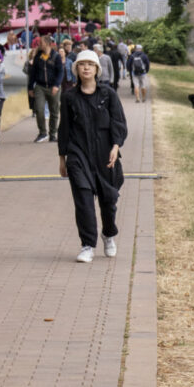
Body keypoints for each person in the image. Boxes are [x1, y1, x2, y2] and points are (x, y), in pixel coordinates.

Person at [58, 49, 128, 262]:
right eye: (82, 64)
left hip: (105, 155)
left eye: (90, 64)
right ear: (76, 69)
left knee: (108, 202)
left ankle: (108, 234)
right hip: (78, 154)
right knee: (84, 201)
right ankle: (87, 245)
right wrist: (63, 158)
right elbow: (65, 128)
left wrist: (116, 147)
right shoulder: (69, 96)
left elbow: (118, 122)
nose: (86, 67)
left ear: (97, 69)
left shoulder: (108, 95)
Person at [26, 36, 63, 144]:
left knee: (54, 111)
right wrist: (30, 87)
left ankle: (53, 134)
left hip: (53, 86)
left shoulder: (56, 56)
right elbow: (33, 73)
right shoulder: (38, 56)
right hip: (40, 86)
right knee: (39, 109)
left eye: (41, 43)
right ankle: (42, 132)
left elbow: (60, 72)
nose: (39, 45)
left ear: (47, 43)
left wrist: (56, 85)